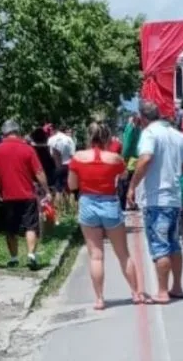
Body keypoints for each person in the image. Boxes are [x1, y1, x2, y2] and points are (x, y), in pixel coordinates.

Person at [69, 121, 144, 309]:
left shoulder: (78, 157)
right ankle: (136, 293)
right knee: (123, 254)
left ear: (89, 136)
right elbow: (124, 175)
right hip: (109, 203)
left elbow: (72, 186)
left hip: (88, 204)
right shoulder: (115, 159)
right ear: (107, 138)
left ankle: (100, 299)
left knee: (96, 256)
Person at [129, 101, 183, 304]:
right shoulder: (176, 134)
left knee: (160, 246)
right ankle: (177, 286)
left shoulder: (149, 134)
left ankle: (162, 291)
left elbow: (146, 158)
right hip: (174, 198)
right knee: (174, 244)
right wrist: (176, 175)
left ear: (142, 118)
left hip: (156, 198)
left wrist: (133, 185)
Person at [0, 119, 51, 270]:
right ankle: (31, 254)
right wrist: (47, 190)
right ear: (17, 132)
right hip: (27, 195)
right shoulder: (28, 149)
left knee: (10, 228)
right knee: (31, 226)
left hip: (8, 195)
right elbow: (39, 172)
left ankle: (13, 257)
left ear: (4, 133)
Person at [49, 124, 76, 207]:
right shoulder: (69, 139)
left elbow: (51, 154)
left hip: (57, 165)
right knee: (70, 189)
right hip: (68, 165)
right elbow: (72, 155)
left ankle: (58, 210)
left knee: (58, 189)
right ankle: (71, 209)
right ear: (65, 131)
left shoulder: (51, 139)